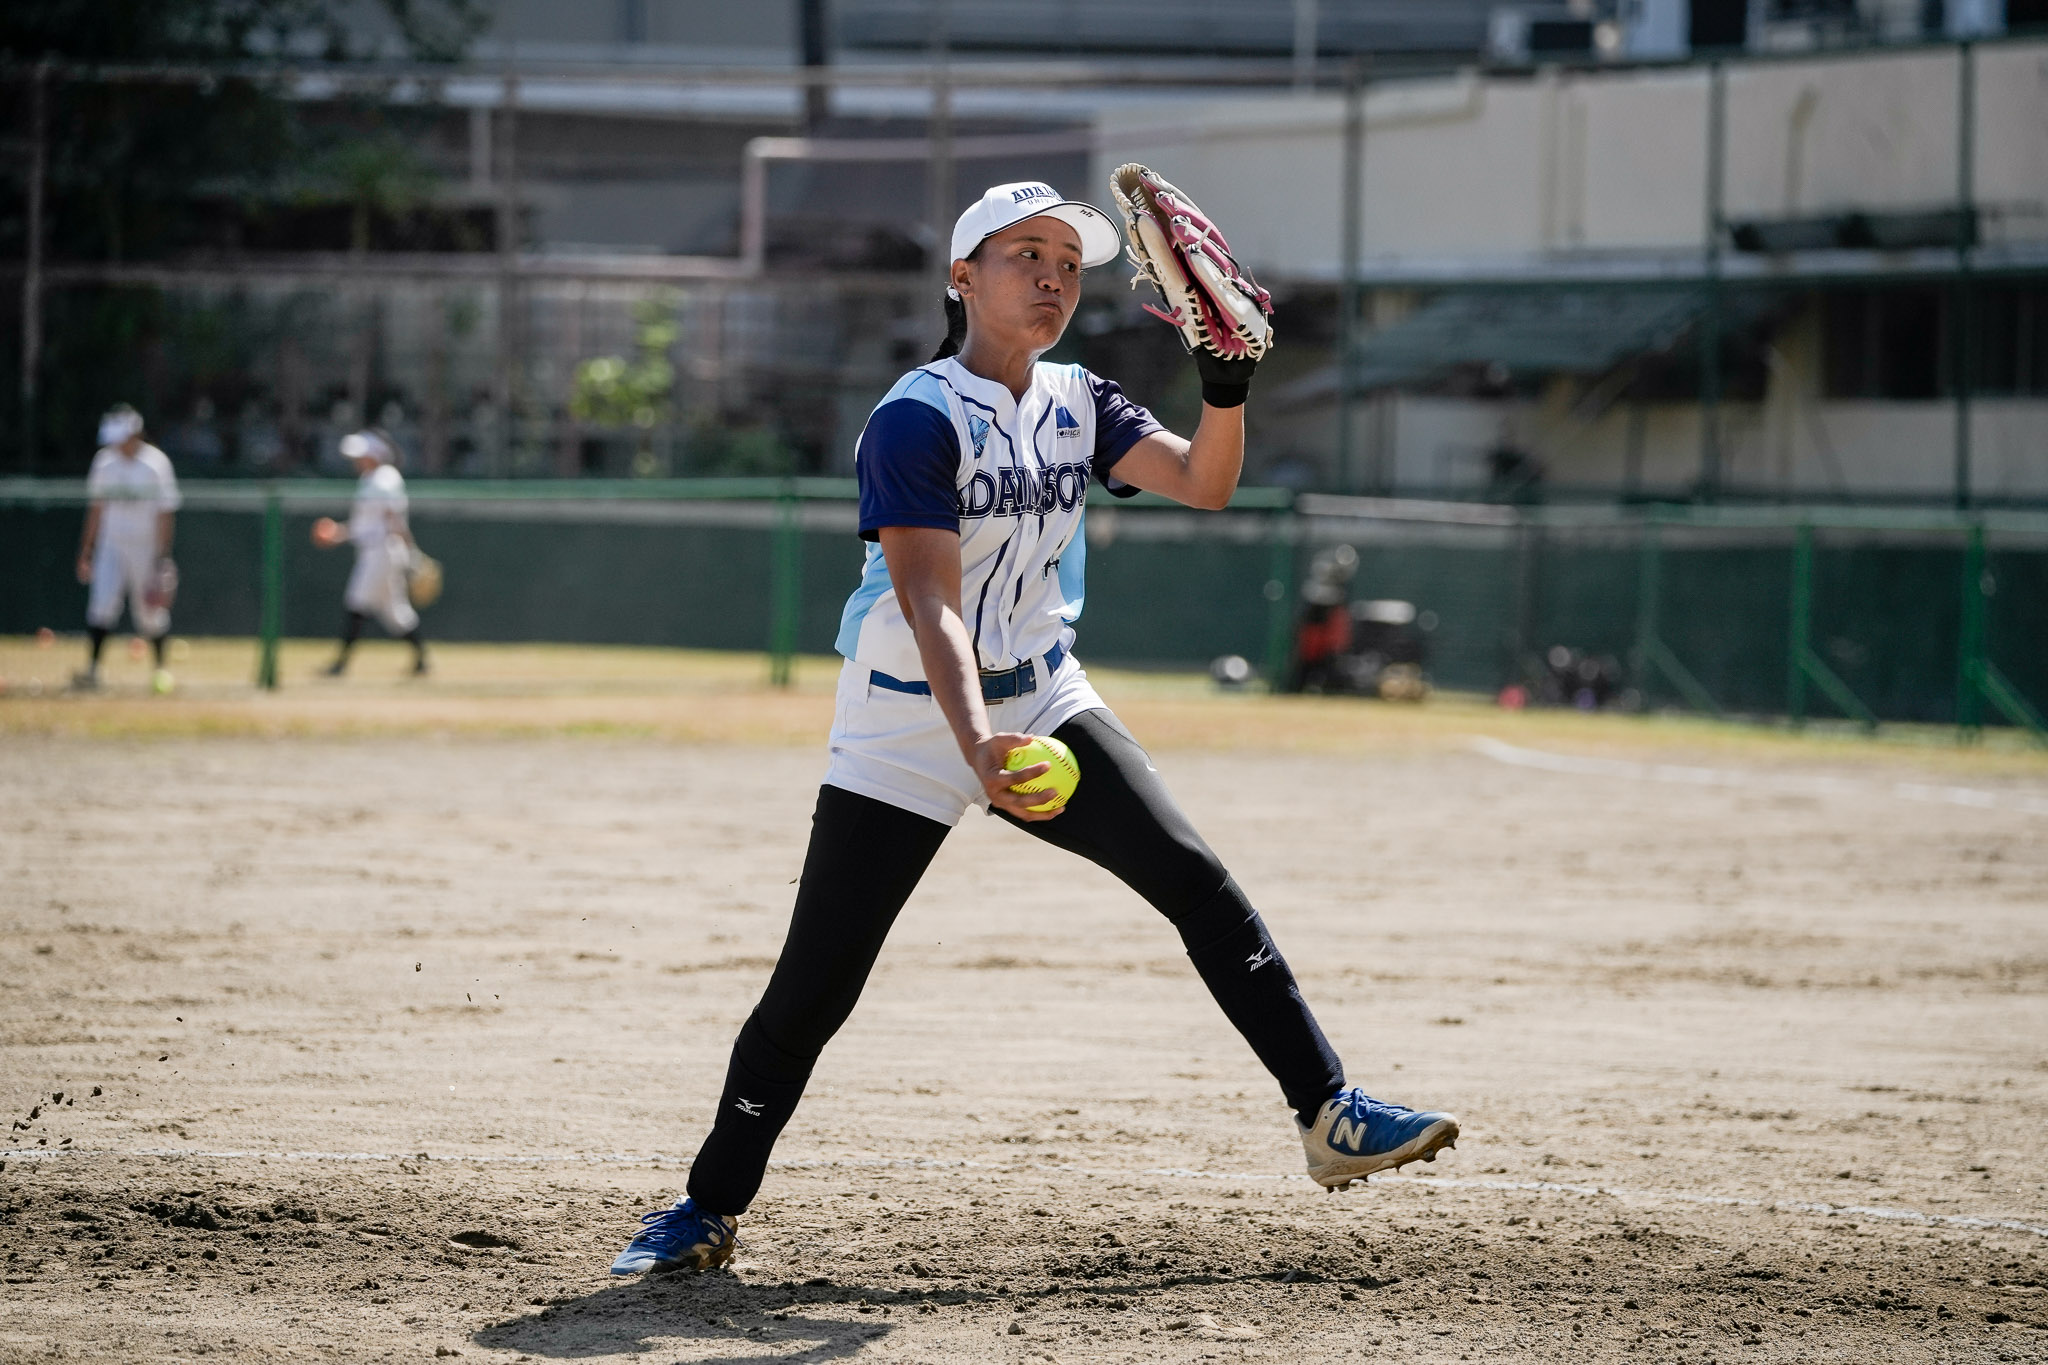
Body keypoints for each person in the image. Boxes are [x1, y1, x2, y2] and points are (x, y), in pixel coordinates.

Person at [608, 180, 1458, 1277]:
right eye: (1025, 256)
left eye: (1067, 260)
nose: (1053, 276)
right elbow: (931, 604)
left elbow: (1203, 484)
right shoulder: (914, 415)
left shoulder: (1080, 398)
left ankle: (1328, 1113)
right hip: (909, 719)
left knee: (1194, 878)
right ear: (961, 278)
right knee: (816, 984)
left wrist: (1226, 390)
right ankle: (704, 1207)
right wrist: (976, 747)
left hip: (1044, 693)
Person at [74, 404, 180, 694]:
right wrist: (87, 550)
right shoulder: (104, 463)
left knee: (149, 613)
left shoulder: (156, 464)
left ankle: (160, 670)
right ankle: (93, 670)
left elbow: (165, 512)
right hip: (111, 545)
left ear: (134, 433)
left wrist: (162, 556)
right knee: (101, 604)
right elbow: (95, 509)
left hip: (145, 548)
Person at [312, 429, 427, 677]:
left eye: (361, 455)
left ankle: (340, 665)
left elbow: (394, 519)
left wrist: (411, 552)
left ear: (375, 455)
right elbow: (363, 526)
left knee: (356, 603)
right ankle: (422, 661)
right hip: (375, 550)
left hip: (383, 551)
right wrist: (338, 534)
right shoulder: (369, 479)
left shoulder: (384, 478)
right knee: (396, 612)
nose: (356, 460)